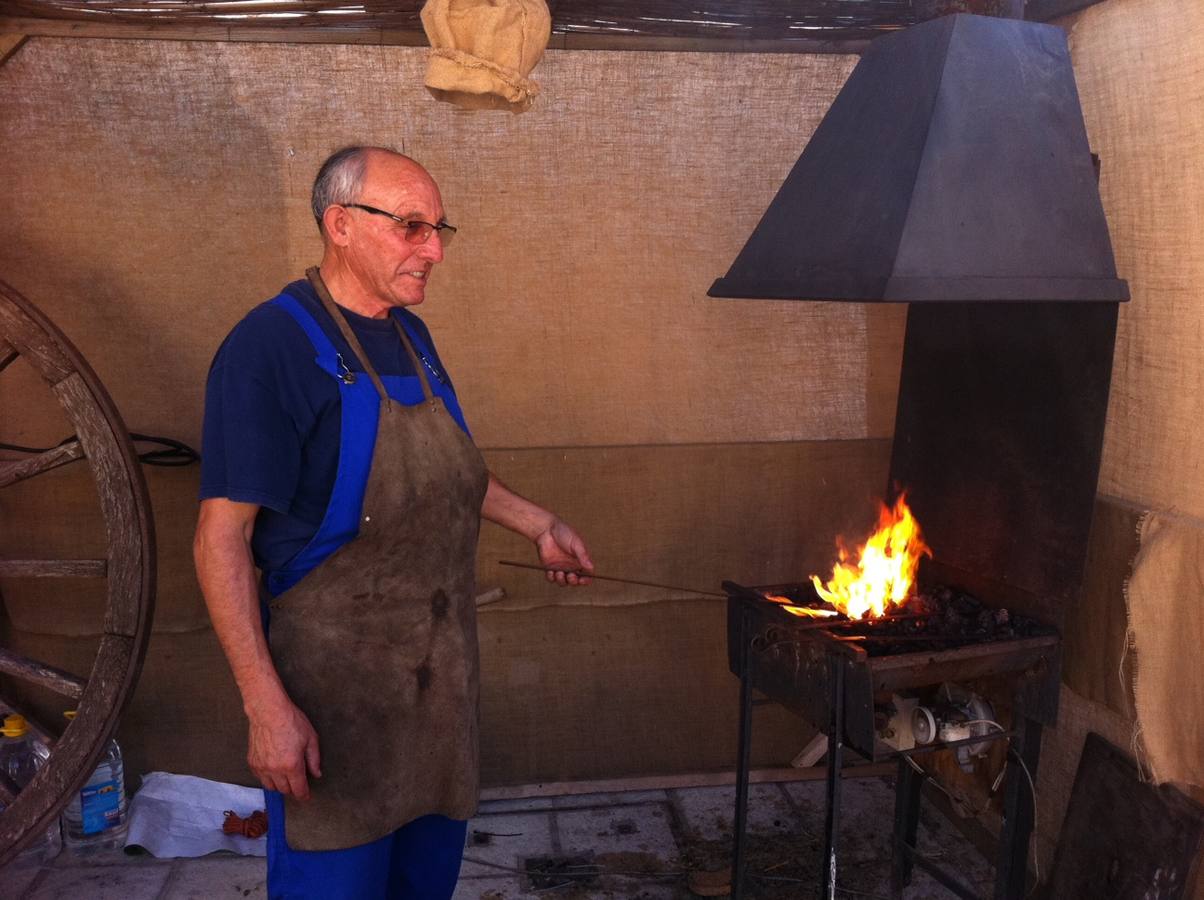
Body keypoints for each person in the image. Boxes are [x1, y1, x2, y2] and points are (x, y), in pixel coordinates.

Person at [193, 146, 593, 899]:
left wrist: (538, 523)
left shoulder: (412, 337)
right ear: (340, 224)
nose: (434, 250)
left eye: (439, 229)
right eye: (412, 227)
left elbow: (450, 472)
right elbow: (223, 538)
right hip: (335, 708)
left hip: (437, 699)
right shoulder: (269, 349)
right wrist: (266, 707)